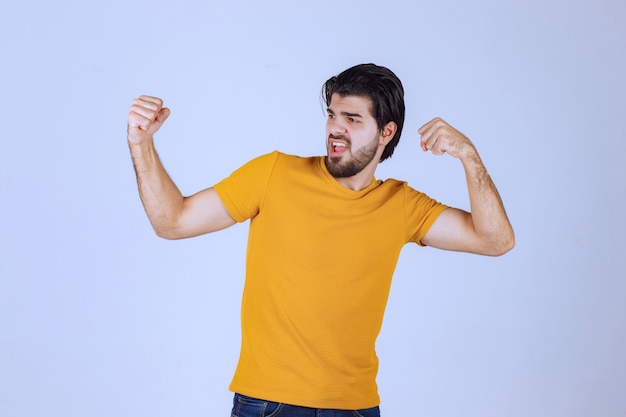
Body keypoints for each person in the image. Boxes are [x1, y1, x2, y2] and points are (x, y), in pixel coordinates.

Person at [127, 63, 514, 417]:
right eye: (331, 115)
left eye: (352, 118)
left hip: (357, 408)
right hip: (267, 403)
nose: (335, 128)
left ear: (386, 131)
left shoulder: (402, 205)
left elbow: (495, 240)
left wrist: (468, 155)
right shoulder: (273, 173)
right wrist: (141, 143)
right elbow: (172, 222)